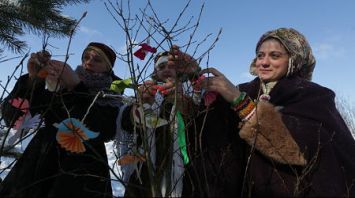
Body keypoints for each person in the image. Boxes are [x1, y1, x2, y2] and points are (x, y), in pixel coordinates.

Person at [188, 27, 355, 197]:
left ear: (294, 60)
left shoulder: (314, 96)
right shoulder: (245, 90)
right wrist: (193, 76)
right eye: (260, 55)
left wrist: (242, 103)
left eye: (274, 56)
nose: (263, 62)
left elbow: (297, 149)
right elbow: (208, 131)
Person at [0, 42, 123, 197]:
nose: (88, 62)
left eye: (97, 60)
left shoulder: (111, 95)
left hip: (82, 174)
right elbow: (12, 118)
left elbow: (103, 131)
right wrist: (32, 80)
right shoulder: (58, 85)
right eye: (85, 57)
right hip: (38, 165)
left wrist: (76, 87)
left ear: (108, 67)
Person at [116, 49, 199, 197]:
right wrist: (141, 106)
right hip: (146, 170)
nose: (166, 69)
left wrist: (184, 104)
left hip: (186, 170)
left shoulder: (192, 91)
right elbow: (126, 123)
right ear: (155, 72)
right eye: (161, 67)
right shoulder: (147, 91)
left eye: (171, 66)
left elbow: (201, 122)